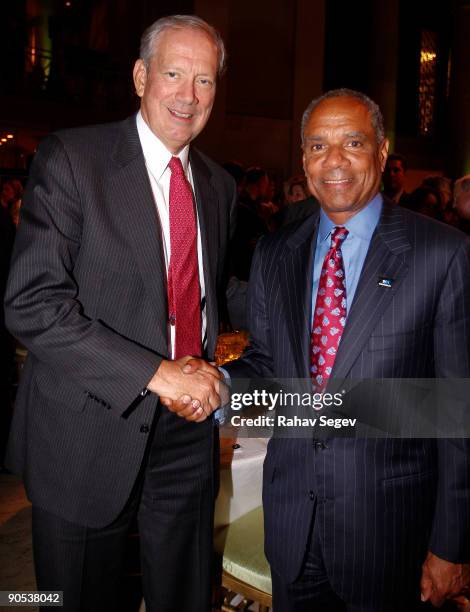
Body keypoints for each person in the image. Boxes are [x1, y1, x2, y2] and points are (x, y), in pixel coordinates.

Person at [4, 14, 235, 612]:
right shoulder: (73, 159)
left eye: (204, 80)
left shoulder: (215, 185)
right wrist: (157, 374)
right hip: (86, 429)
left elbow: (208, 298)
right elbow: (32, 303)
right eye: (174, 74)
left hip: (186, 433)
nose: (188, 95)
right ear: (140, 76)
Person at [222, 89, 470, 610]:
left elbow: (456, 408)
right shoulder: (274, 252)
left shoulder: (442, 253)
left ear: (381, 153)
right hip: (293, 525)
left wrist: (451, 545)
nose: (333, 161)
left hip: (390, 535)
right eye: (317, 146)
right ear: (303, 160)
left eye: (352, 143)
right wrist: (218, 390)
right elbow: (272, 374)